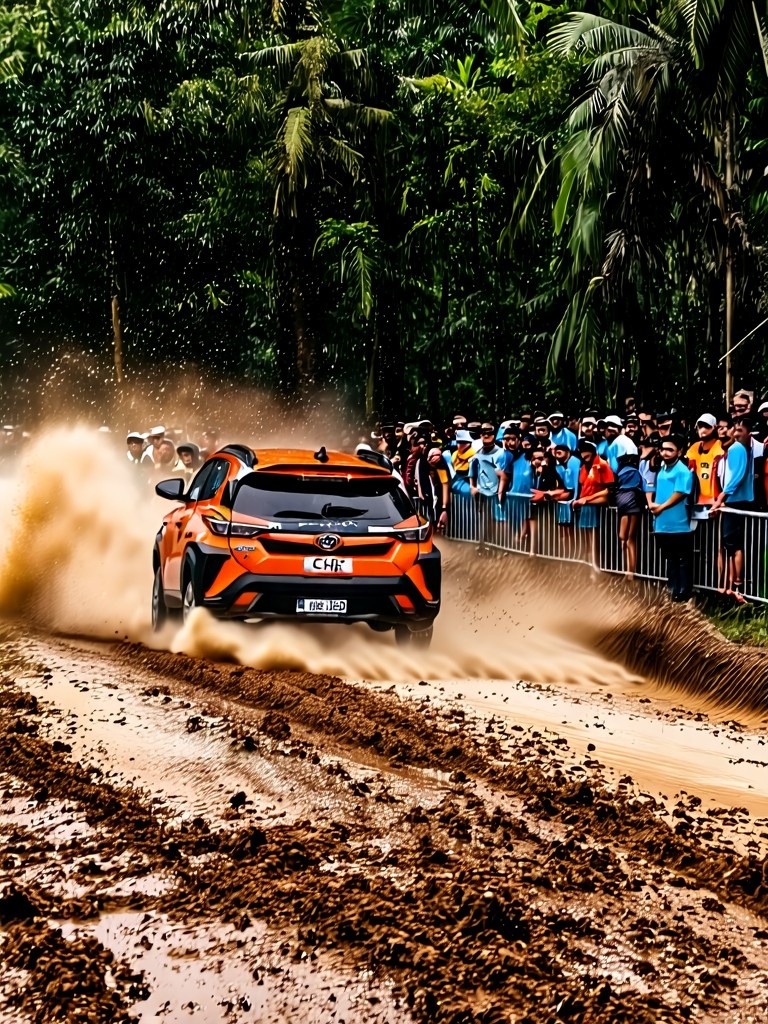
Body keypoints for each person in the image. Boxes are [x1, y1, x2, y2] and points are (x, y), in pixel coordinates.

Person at [710, 416, 755, 603]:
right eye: (719, 428)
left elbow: (736, 477)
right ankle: (727, 587)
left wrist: (721, 498)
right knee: (728, 545)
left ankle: (735, 588)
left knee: (733, 546)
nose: (722, 431)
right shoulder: (734, 449)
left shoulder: (737, 449)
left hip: (735, 501)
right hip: (734, 501)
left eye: (726, 428)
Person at [649, 434, 695, 602]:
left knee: (682, 561)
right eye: (663, 449)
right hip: (662, 524)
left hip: (679, 525)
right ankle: (673, 593)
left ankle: (683, 595)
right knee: (671, 560)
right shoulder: (663, 468)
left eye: (670, 449)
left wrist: (661, 507)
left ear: (680, 451)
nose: (665, 453)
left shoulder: (682, 470)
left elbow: (680, 493)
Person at [572, 440, 613, 567]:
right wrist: (582, 500)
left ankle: (595, 565)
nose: (584, 458)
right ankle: (589, 564)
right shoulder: (583, 468)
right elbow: (582, 486)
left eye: (587, 455)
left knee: (594, 537)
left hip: (596, 505)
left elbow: (609, 491)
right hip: (585, 505)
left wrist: (588, 499)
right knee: (587, 537)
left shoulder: (603, 465)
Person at [469, 423, 508, 548]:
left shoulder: (501, 453)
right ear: (480, 435)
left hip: (498, 493)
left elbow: (505, 475)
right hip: (482, 493)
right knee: (484, 520)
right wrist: (472, 487)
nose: (486, 435)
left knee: (500, 520)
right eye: (483, 433)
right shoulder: (477, 454)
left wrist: (500, 492)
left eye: (489, 433)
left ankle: (501, 546)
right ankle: (484, 545)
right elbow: (472, 472)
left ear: (494, 434)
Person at [615, 453, 645, 579]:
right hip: (628, 505)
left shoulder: (626, 472)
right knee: (625, 538)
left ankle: (630, 572)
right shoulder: (634, 473)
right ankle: (628, 570)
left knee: (628, 540)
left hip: (631, 506)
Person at [686, 414, 722, 509]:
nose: (703, 429)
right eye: (700, 426)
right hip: (697, 499)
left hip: (715, 500)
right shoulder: (694, 447)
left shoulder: (719, 445)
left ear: (714, 427)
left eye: (707, 426)